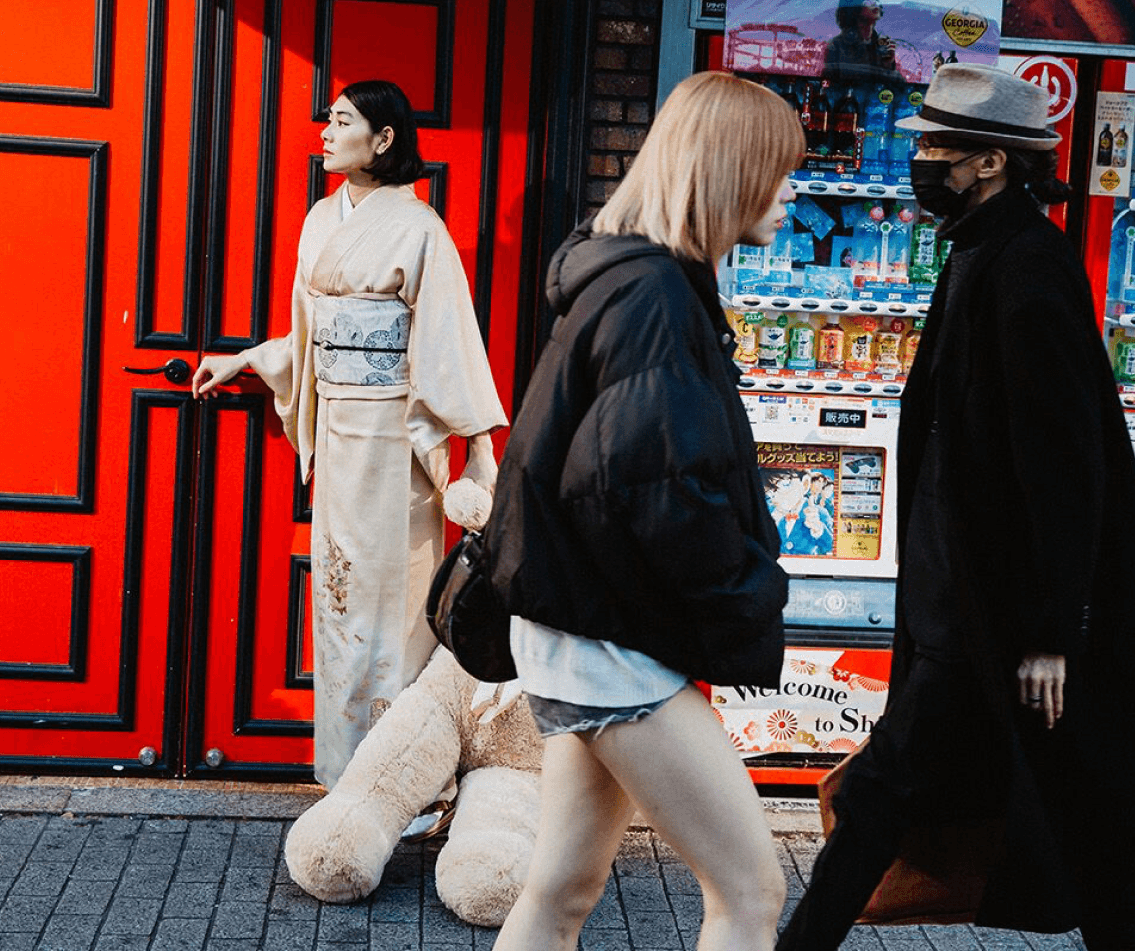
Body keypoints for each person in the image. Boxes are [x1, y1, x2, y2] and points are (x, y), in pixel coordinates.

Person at [777, 65, 1135, 951]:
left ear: (990, 162)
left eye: (934, 147)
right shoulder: (982, 249)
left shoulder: (1026, 268)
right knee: (1071, 811)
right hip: (965, 598)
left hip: (986, 611)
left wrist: (1052, 634)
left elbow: (1063, 466)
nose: (920, 161)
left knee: (883, 796)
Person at [487, 71, 802, 951]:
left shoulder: (631, 278)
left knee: (562, 890)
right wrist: (747, 594)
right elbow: (646, 487)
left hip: (581, 628)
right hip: (611, 648)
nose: (791, 192)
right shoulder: (655, 297)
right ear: (731, 171)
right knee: (751, 891)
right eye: (779, 171)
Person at [191, 79, 507, 791]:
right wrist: (247, 359)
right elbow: (311, 336)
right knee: (339, 605)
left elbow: (450, 341)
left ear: (383, 138)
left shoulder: (421, 229)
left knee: (400, 613)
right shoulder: (320, 218)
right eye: (328, 122)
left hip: (395, 444)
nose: (326, 135)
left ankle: (409, 785)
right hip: (338, 430)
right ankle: (345, 777)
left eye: (341, 122)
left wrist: (480, 451)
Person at [820, 0, 902, 88]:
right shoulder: (837, 45)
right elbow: (830, 82)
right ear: (853, 8)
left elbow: (894, 85)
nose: (875, 3)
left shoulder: (883, 46)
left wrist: (888, 68)